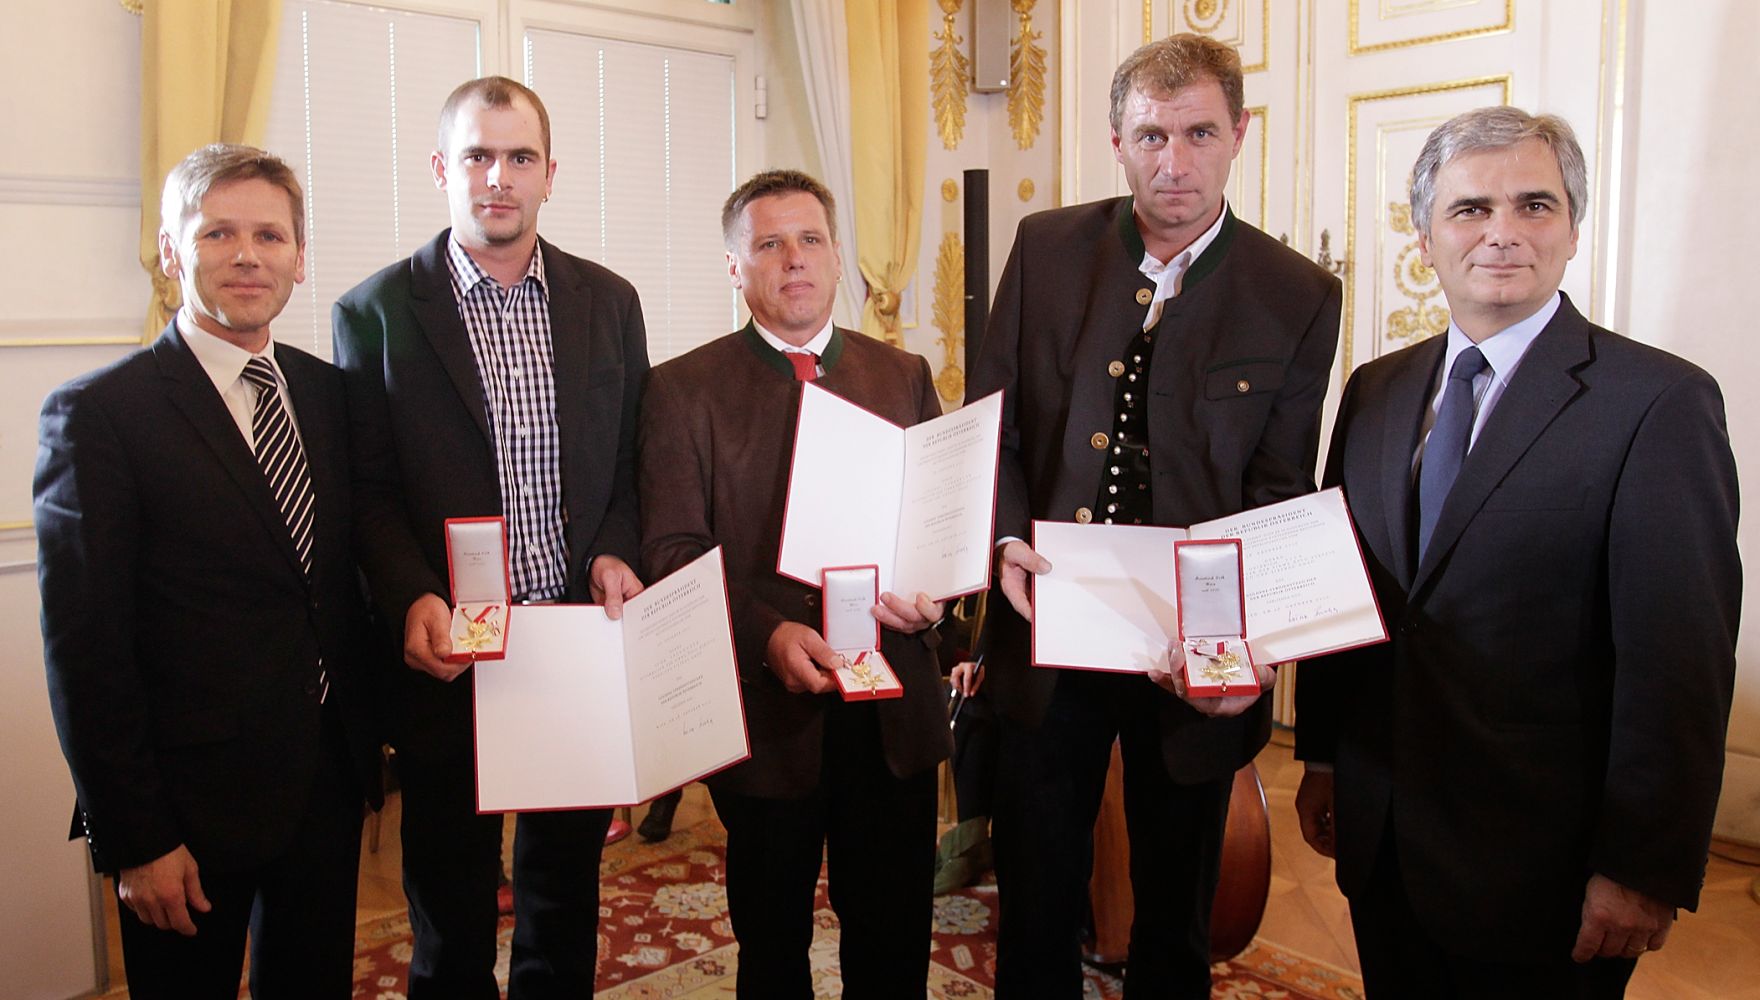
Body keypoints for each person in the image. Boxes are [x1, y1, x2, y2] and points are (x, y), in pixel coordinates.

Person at [1294, 106, 1740, 998]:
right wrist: (1325, 757)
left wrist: (1642, 866)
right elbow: (1355, 592)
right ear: (1424, 237)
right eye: (1470, 210)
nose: (1502, 233)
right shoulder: (1375, 392)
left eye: (1534, 205)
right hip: (1385, 838)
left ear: (1573, 229)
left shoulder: (1658, 404)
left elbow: (1678, 661)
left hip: (1548, 869)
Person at [966, 33, 1342, 997]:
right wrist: (1005, 536)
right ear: (1115, 139)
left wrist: (1243, 634)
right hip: (1049, 623)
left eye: (1199, 133)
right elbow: (993, 423)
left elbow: (1277, 486)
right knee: (1037, 887)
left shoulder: (1297, 293)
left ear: (1239, 135)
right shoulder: (1046, 249)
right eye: (1150, 136)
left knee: (1180, 909)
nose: (1174, 161)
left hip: (1196, 644)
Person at [36, 143, 382, 998]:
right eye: (218, 232)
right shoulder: (100, 415)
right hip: (184, 814)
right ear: (170, 250)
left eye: (270, 235)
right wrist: (136, 837)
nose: (247, 254)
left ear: (301, 258)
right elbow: (87, 651)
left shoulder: (334, 397)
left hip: (323, 787)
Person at [332, 76, 649, 997]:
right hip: (449, 652)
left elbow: (629, 458)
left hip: (570, 641)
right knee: (453, 902)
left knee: (563, 895)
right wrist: (409, 596)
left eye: (519, 157)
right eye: (477, 155)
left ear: (551, 172)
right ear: (443, 168)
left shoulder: (609, 301)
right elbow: (371, 491)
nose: (498, 177)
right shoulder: (376, 312)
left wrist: (615, 552)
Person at [638, 169, 952, 999]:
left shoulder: (903, 374)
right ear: (735, 270)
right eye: (769, 244)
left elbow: (935, 524)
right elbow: (672, 551)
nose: (794, 259)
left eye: (810, 239)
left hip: (891, 713)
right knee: (771, 947)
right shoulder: (681, 389)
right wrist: (765, 634)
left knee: (891, 945)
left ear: (839, 257)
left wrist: (935, 598)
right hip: (769, 717)